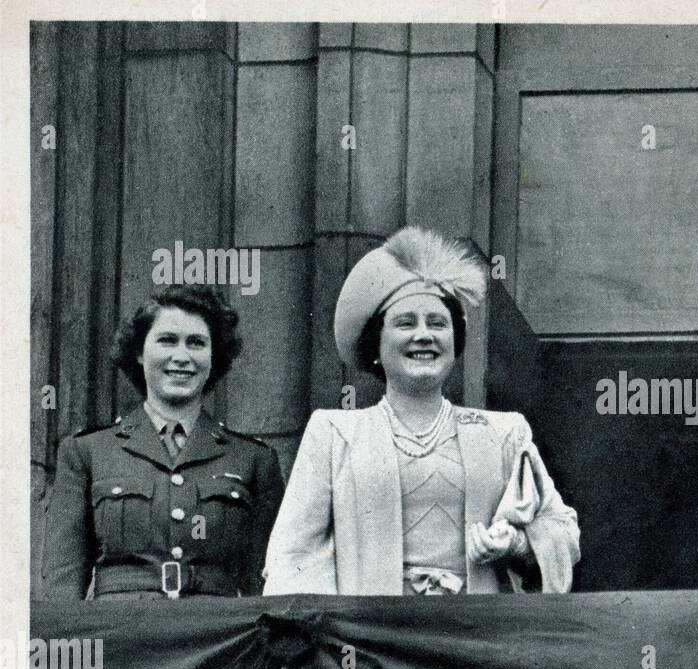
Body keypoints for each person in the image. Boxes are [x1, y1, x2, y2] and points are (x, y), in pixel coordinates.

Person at [262, 226, 579, 596]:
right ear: (376, 346)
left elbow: (563, 531)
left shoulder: (504, 433)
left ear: (454, 342)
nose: (424, 335)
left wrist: (517, 544)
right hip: (372, 641)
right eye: (405, 323)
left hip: (477, 638)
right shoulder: (334, 432)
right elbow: (295, 554)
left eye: (437, 323)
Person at [40, 284, 285, 601]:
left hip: (216, 640)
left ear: (213, 358)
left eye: (196, 343)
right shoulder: (87, 451)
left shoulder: (252, 458)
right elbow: (62, 583)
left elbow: (264, 585)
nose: (181, 356)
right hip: (121, 638)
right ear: (140, 353)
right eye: (167, 340)